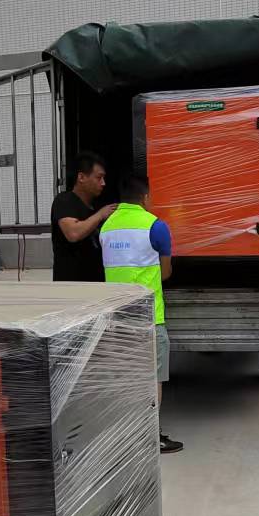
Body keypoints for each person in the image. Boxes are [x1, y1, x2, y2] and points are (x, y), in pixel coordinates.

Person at [101, 175, 183, 455]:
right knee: (152, 379)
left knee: (126, 378)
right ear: (145, 197)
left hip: (117, 317)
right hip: (148, 317)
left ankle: (127, 434)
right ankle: (150, 437)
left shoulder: (106, 227)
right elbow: (166, 272)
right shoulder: (155, 226)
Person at [50, 152, 117, 282]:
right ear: (81, 177)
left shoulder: (97, 205)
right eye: (99, 178)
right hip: (72, 285)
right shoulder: (65, 201)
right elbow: (73, 233)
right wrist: (100, 215)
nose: (103, 183)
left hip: (98, 283)